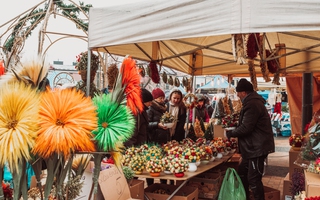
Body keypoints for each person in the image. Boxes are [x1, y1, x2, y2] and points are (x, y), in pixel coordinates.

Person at [226, 78, 275, 200]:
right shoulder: (252, 102)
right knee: (242, 172)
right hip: (252, 148)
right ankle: (245, 197)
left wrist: (230, 133)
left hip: (256, 149)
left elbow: (246, 128)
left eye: (238, 93)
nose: (237, 95)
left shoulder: (252, 104)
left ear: (243, 92)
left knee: (254, 179)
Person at [146, 87, 169, 186]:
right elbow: (147, 124)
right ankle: (151, 186)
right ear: (154, 98)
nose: (162, 100)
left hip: (163, 139)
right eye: (160, 98)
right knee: (153, 164)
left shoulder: (164, 108)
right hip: (154, 140)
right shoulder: (150, 109)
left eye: (163, 97)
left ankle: (163, 185)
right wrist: (157, 124)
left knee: (163, 164)